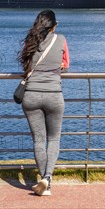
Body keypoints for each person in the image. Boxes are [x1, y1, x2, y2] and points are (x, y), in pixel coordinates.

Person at [17, 10, 69, 196]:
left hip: (31, 96)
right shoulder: (61, 39)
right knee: (53, 139)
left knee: (39, 139)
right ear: (54, 25)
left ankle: (43, 181)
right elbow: (66, 64)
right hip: (54, 95)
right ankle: (48, 178)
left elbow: (26, 66)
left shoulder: (30, 41)